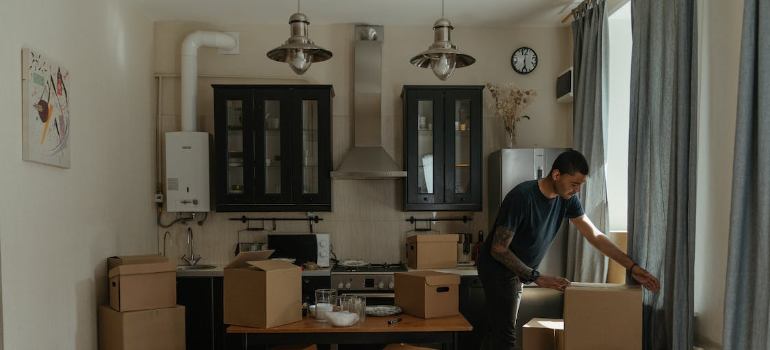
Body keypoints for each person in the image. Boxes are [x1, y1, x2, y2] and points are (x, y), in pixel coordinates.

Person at [477, 150, 660, 350]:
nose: (577, 190)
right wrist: (536, 276)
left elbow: (595, 236)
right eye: (574, 184)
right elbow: (498, 249)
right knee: (505, 338)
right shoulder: (522, 197)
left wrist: (631, 267)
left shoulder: (567, 200)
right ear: (556, 175)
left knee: (497, 332)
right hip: (498, 270)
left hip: (520, 272)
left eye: (580, 185)